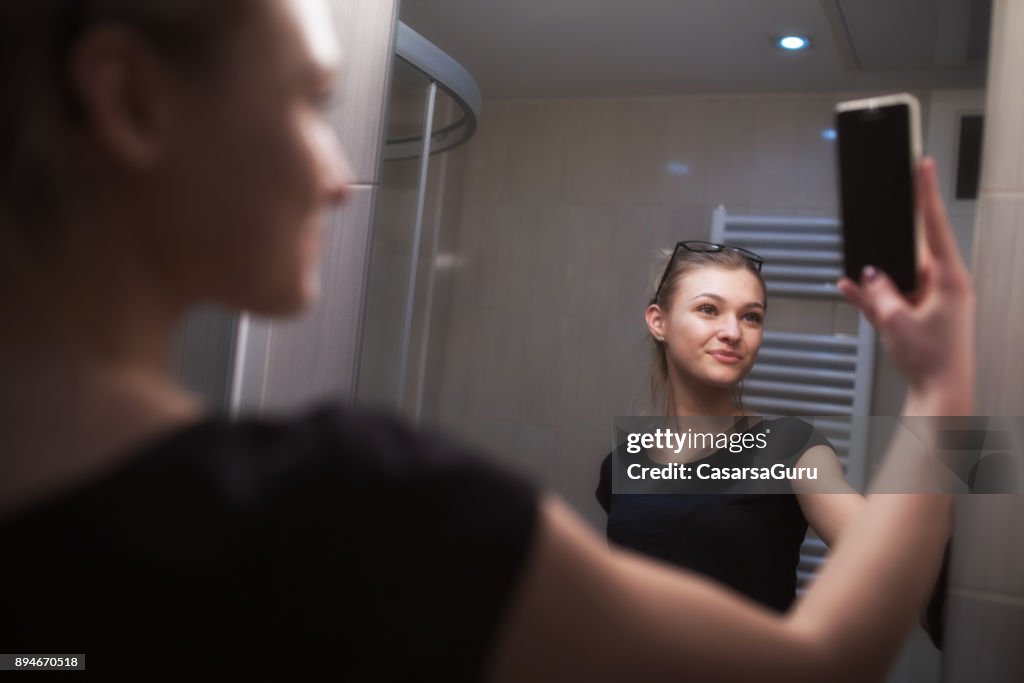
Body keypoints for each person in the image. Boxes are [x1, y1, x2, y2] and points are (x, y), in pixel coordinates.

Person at [0, 0, 975, 680]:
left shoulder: (782, 442)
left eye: (751, 313)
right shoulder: (608, 455)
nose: (340, 177)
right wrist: (942, 381)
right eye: (303, 101)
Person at [596, 242, 864, 612]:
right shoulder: (621, 465)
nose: (733, 331)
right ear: (659, 321)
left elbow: (885, 557)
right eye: (708, 309)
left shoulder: (789, 446)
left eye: (751, 317)